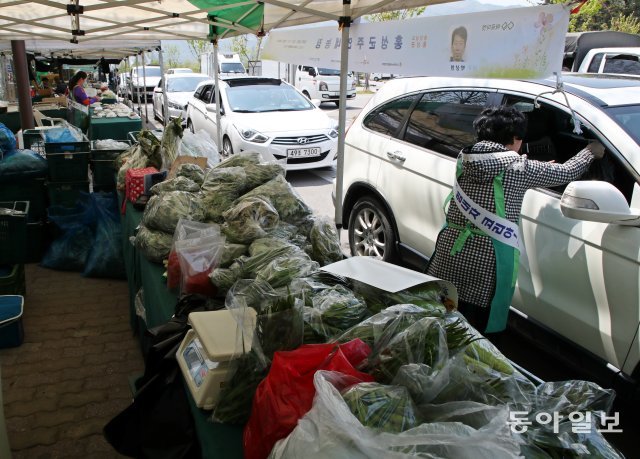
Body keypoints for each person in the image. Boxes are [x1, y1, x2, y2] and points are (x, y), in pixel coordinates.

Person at [426, 105, 605, 337]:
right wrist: (590, 150)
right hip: (487, 263)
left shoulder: (466, 157)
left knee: (445, 316)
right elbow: (566, 172)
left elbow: (497, 169)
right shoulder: (518, 168)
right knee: (473, 333)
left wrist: (531, 168)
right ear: (514, 138)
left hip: (450, 253)